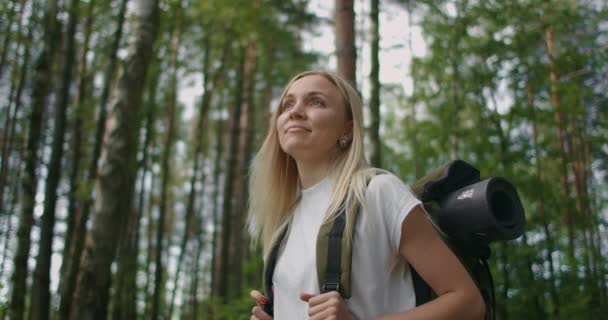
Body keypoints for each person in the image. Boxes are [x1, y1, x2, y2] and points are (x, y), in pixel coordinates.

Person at [247, 70, 485, 320]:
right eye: (287, 104)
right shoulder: (284, 221)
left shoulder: (377, 192)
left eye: (316, 101)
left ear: (347, 130)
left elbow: (468, 302)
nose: (294, 112)